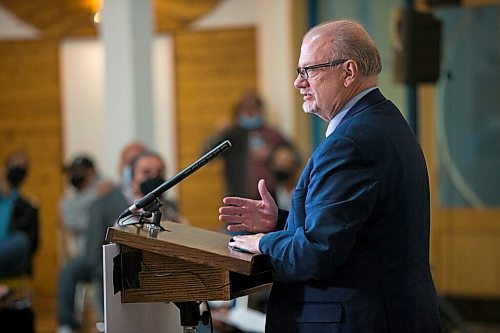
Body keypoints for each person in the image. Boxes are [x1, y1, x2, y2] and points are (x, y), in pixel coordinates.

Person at [219, 19, 442, 332]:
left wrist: (264, 243)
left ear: (348, 72)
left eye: (308, 70)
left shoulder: (351, 142)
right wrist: (281, 222)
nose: (299, 82)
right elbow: (351, 229)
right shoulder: (383, 121)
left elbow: (316, 255)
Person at [204, 91, 287, 199]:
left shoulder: (272, 135)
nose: (250, 113)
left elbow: (293, 160)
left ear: (260, 110)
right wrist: (218, 134)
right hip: (236, 197)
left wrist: (272, 156)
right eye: (246, 108)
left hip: (267, 199)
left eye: (253, 108)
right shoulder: (231, 135)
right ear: (238, 111)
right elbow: (206, 155)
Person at [0, 151, 39, 278]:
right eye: (14, 165)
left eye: (22, 168)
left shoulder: (29, 207)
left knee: (20, 241)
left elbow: (32, 244)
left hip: (10, 260)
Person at [267, 143, 303, 210]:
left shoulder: (305, 194)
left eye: (286, 162)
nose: (281, 168)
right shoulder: (267, 196)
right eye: (278, 164)